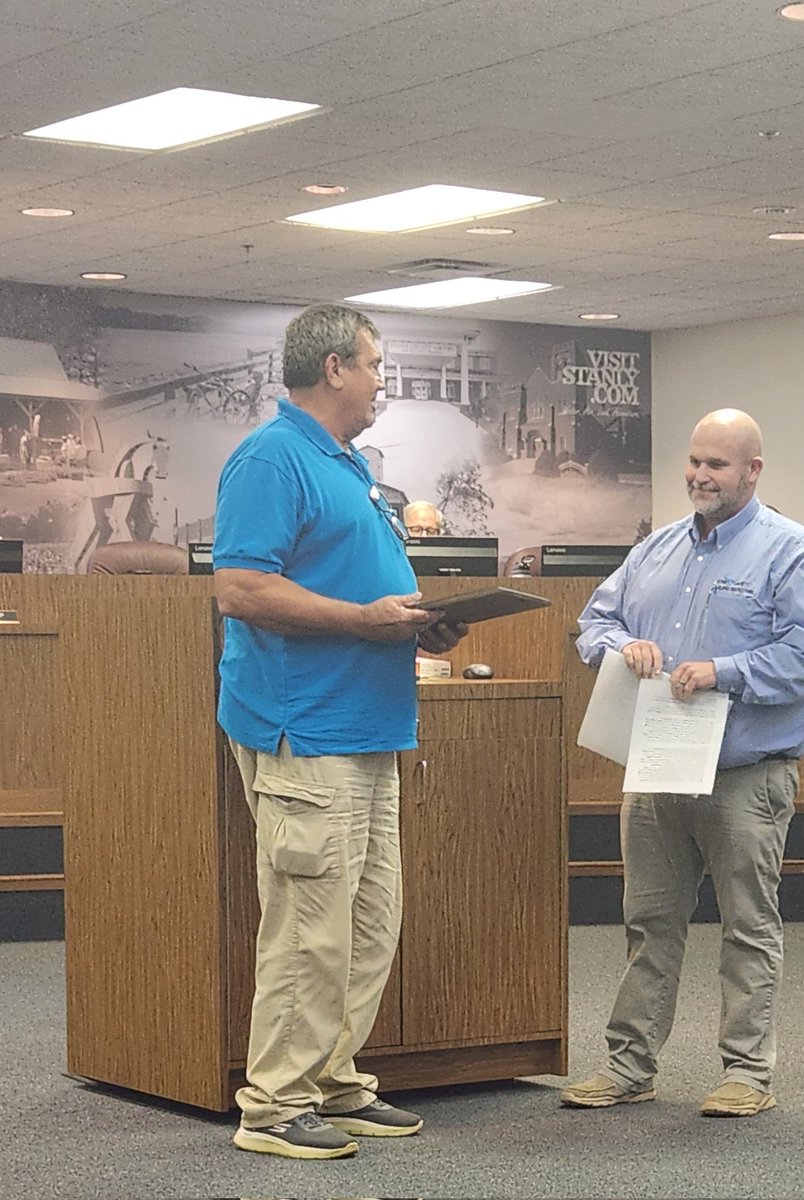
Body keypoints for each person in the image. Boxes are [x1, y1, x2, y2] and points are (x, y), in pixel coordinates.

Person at [213, 304, 465, 1160]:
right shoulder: (271, 457)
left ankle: (329, 1078)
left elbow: (356, 584)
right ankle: (273, 1107)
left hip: (369, 727)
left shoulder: (347, 463)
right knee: (309, 927)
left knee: (367, 921)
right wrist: (363, 620)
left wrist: (419, 624)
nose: (381, 382)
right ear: (333, 369)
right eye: (374, 365)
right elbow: (241, 589)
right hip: (306, 727)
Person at [561, 408, 804, 1119]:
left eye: (717, 464)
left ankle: (747, 1073)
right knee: (647, 923)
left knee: (748, 925)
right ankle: (629, 1066)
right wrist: (622, 647)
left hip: (746, 774)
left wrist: (723, 671)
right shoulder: (655, 550)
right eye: (694, 461)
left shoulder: (792, 552)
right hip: (657, 769)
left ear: (752, 470)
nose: (700, 475)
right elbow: (594, 622)